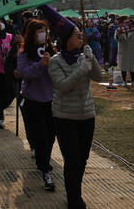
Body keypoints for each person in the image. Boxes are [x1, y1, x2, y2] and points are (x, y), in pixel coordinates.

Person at [49, 20, 102, 208]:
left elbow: (99, 77)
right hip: (64, 117)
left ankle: (75, 190)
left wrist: (92, 58)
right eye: (76, 34)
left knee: (83, 159)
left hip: (86, 116)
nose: (81, 37)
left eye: (81, 34)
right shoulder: (55, 61)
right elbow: (63, 86)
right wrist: (81, 70)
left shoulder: (84, 57)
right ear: (65, 39)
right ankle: (74, 199)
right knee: (72, 160)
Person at [18, 20, 59, 192]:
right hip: (33, 102)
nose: (42, 32)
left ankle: (43, 161)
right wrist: (40, 65)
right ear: (32, 33)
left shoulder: (53, 51)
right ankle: (46, 171)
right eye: (39, 30)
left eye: (44, 30)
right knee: (41, 138)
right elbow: (24, 73)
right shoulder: (24, 53)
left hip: (51, 102)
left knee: (50, 137)